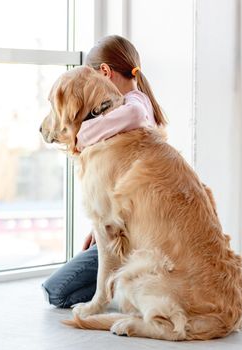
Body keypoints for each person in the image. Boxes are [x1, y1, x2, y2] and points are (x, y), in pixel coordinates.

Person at [41, 35, 167, 308]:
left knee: (56, 292)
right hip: (128, 226)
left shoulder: (135, 103)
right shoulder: (131, 106)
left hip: (134, 235)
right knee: (59, 287)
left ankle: (119, 292)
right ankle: (121, 287)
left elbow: (133, 116)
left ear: (105, 73)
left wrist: (80, 135)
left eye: (92, 79)